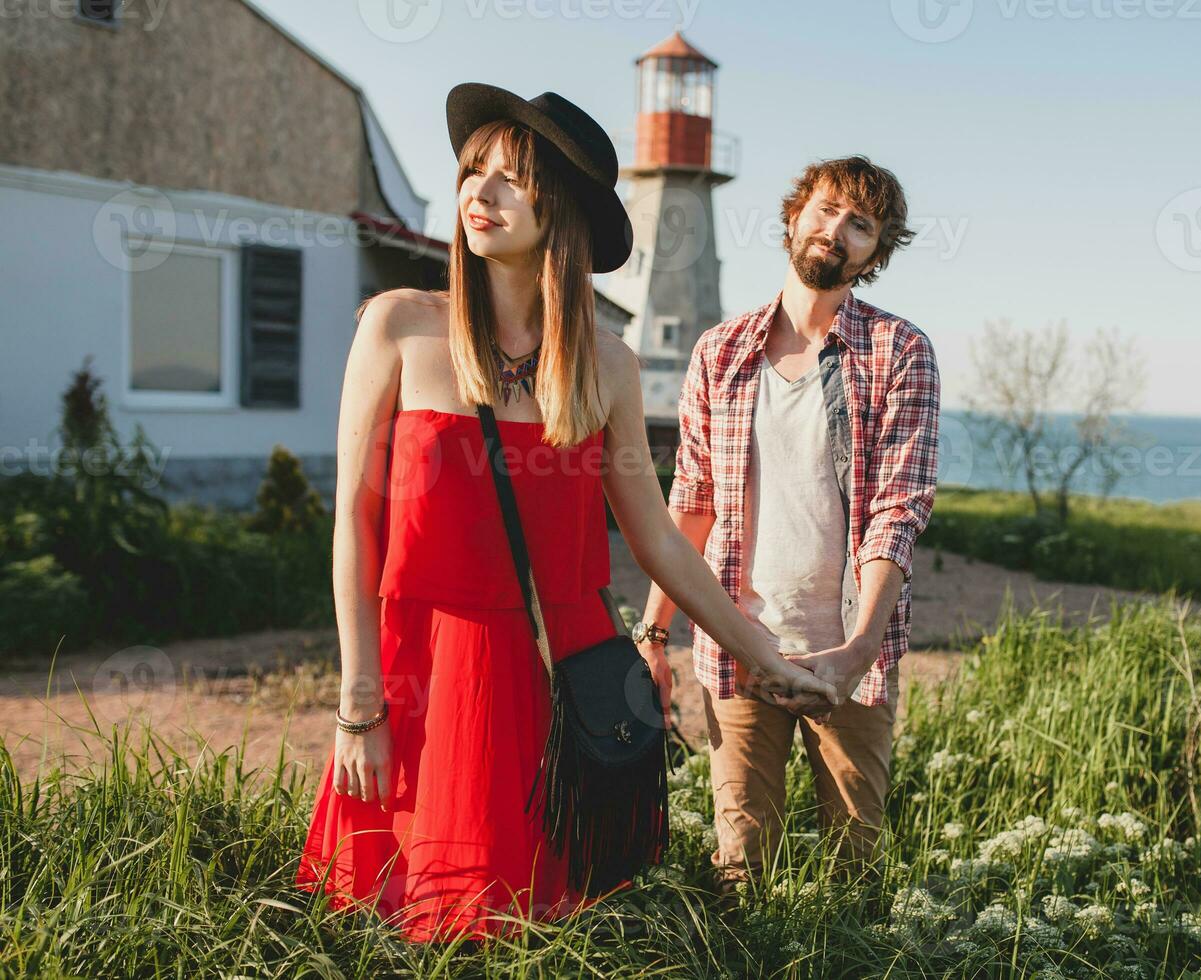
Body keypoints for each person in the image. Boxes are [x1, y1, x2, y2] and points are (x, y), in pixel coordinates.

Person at [293, 83, 837, 945]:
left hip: (562, 671)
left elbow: (658, 539)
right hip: (428, 666)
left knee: (547, 935)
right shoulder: (399, 327)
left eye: (512, 178)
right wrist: (360, 703)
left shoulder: (608, 368)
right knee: (412, 927)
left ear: (564, 213)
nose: (480, 193)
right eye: (474, 172)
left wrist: (761, 655)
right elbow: (353, 527)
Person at [635, 156, 940, 899]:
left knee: (854, 867)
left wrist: (857, 653)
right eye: (827, 209)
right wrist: (652, 634)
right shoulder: (719, 352)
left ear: (876, 252)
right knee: (740, 869)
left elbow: (896, 512)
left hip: (849, 656)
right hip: (737, 649)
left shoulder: (899, 353)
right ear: (796, 212)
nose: (836, 230)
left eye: (859, 225)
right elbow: (692, 501)